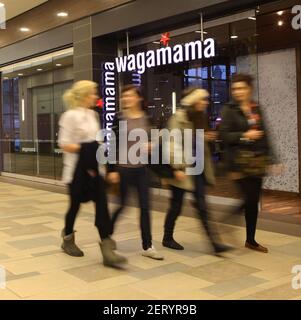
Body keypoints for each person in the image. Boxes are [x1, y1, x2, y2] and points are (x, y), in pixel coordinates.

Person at [58, 80, 127, 268]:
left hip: (95, 170)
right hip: (75, 172)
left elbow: (97, 142)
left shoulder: (93, 115)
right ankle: (68, 238)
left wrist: (106, 165)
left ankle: (106, 249)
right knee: (74, 207)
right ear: (83, 95)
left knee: (102, 205)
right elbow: (64, 144)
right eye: (93, 93)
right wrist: (86, 148)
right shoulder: (69, 116)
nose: (96, 96)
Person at [162, 87, 231, 255]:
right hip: (183, 169)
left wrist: (205, 138)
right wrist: (177, 167)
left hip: (197, 169)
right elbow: (172, 145)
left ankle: (214, 243)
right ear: (193, 101)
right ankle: (167, 237)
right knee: (176, 206)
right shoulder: (178, 118)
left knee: (202, 206)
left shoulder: (200, 118)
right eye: (202, 100)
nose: (205, 103)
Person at [220, 74, 281, 253]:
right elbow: (224, 136)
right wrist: (245, 135)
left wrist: (273, 159)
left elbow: (265, 134)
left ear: (249, 89)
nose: (238, 92)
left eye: (241, 88)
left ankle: (251, 240)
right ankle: (227, 222)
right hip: (238, 162)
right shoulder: (228, 109)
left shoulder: (256, 108)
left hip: (256, 161)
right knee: (248, 199)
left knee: (253, 202)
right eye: (235, 89)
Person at [107, 85, 164, 260]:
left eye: (130, 96)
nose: (126, 99)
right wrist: (112, 170)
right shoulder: (119, 118)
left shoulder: (147, 118)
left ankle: (147, 245)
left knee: (145, 208)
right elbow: (112, 145)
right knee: (122, 206)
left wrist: (152, 145)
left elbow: (155, 140)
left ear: (139, 98)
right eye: (124, 96)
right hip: (123, 169)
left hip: (142, 170)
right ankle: (106, 234)